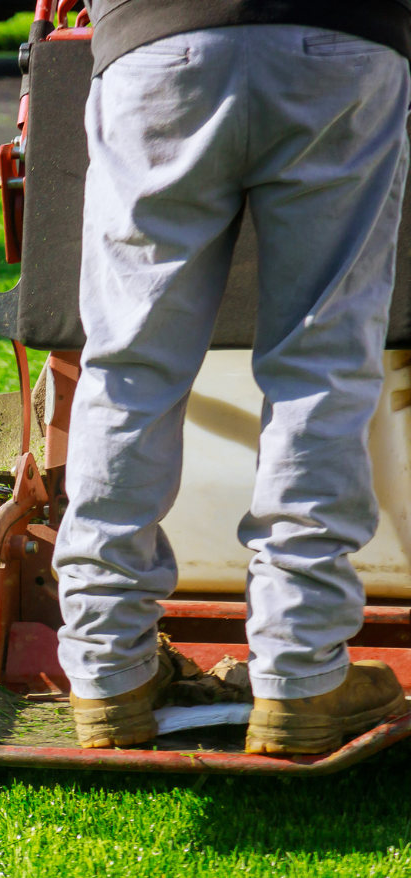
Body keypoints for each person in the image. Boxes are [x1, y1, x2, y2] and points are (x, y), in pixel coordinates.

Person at [58, 1, 411, 754]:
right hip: (339, 44)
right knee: (321, 358)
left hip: (155, 41)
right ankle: (300, 676)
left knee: (130, 364)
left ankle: (108, 670)